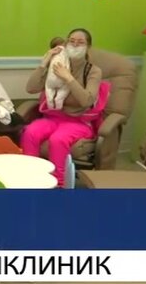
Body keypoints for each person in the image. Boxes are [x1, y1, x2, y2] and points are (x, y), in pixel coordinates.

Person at [21, 28, 103, 187]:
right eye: (71, 41)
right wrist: (43, 64)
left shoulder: (93, 71)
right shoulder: (56, 63)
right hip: (52, 118)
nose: (75, 45)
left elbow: (87, 100)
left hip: (78, 122)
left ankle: (58, 185)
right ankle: (31, 179)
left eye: (80, 42)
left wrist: (68, 78)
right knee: (30, 132)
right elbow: (31, 88)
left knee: (58, 139)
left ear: (88, 47)